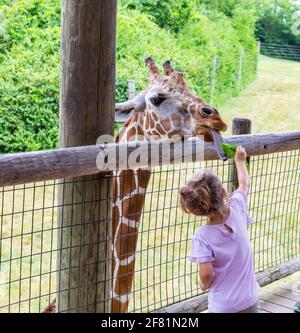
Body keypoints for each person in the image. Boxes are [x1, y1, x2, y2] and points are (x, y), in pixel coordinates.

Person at [180, 146, 260, 313]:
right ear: (224, 192)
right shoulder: (237, 206)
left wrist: (203, 285)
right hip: (250, 301)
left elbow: (207, 275)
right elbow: (244, 184)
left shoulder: (202, 237)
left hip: (224, 307)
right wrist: (239, 160)